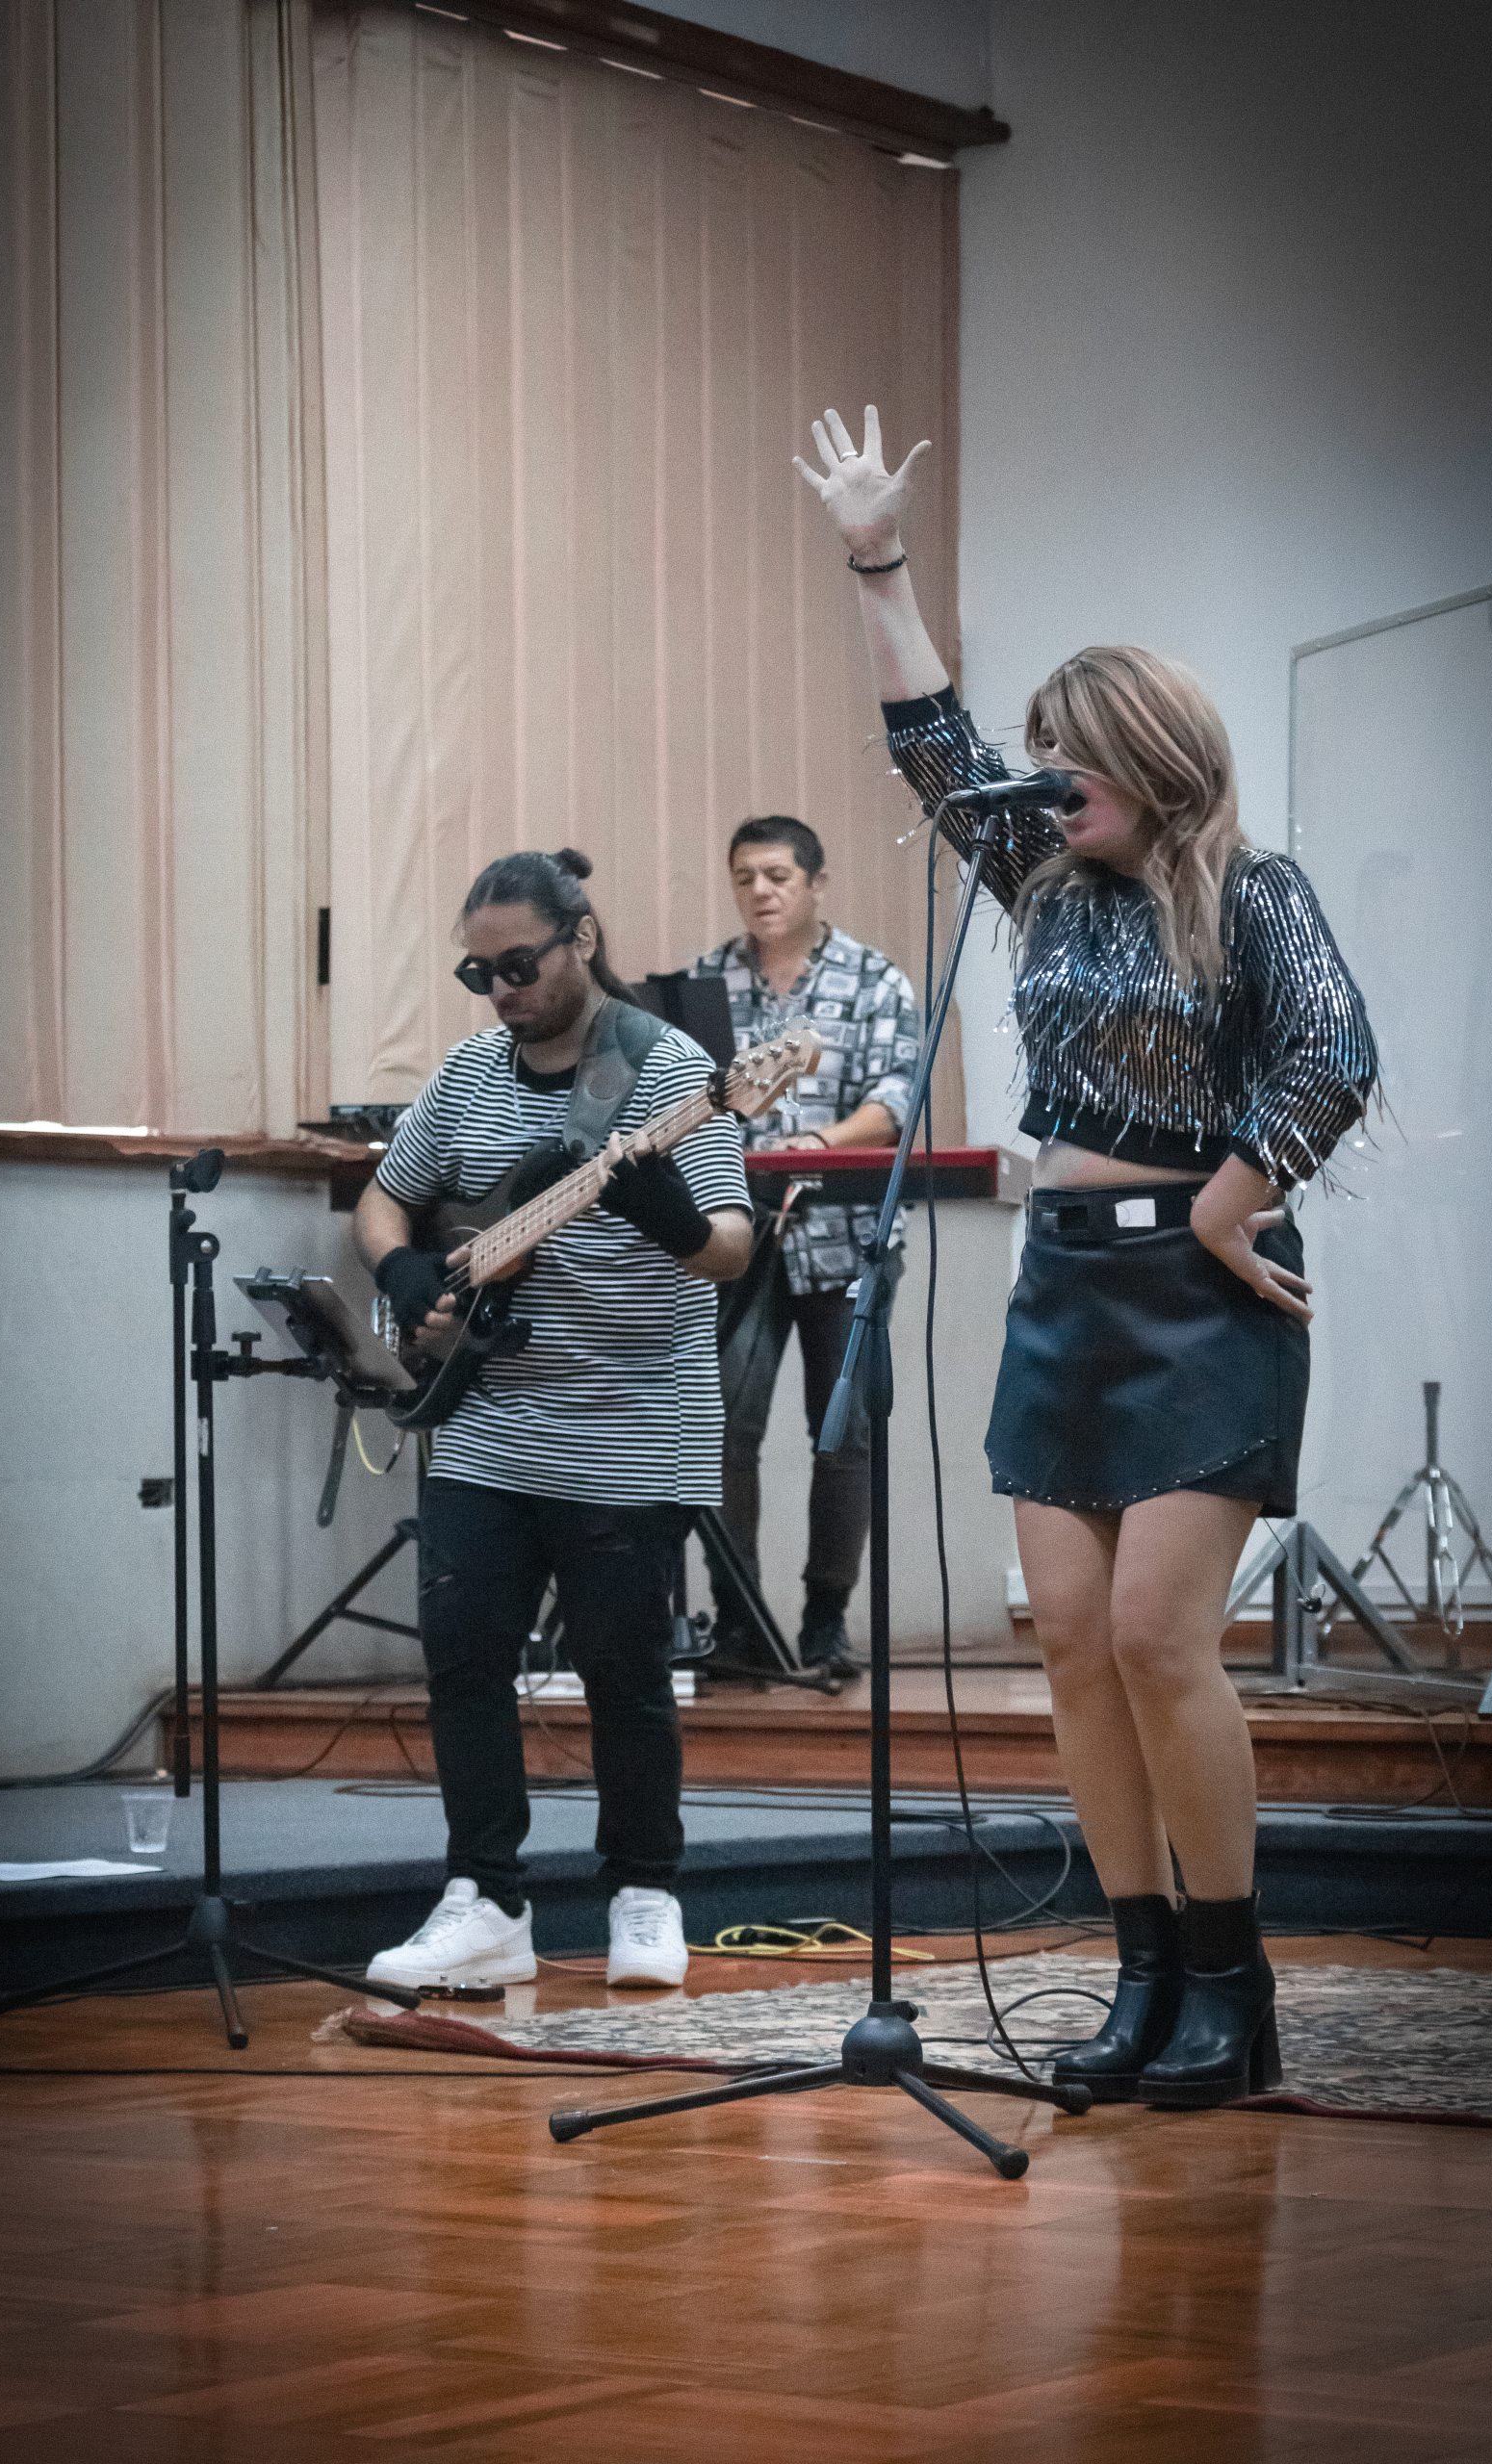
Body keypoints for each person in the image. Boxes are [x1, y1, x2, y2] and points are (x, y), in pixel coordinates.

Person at [796, 404, 1377, 2107]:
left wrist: (1223, 1201)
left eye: (1076, 757)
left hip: (1199, 1298)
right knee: (1064, 1635)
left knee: (1153, 1637)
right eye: (1040, 756)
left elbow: (1331, 1057)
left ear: (1155, 757)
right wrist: (875, 559)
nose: (1048, 781)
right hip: (1061, 1285)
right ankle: (1138, 1975)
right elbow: (928, 738)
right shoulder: (1041, 877)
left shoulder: (1254, 892)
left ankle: (1229, 1984)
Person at [353, 849, 752, 1994]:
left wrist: (671, 1215)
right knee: (463, 1660)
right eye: (479, 973)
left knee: (624, 1672)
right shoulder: (472, 1070)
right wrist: (404, 1270)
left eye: (519, 964)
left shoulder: (669, 1070)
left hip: (631, 1423)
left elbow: (732, 1247)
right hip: (490, 1418)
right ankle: (485, 1902)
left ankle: (644, 1892)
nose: (501, 990)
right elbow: (385, 1197)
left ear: (580, 938)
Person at [689, 818, 920, 1675]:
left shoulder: (874, 978)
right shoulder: (704, 982)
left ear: (816, 883)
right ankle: (739, 1621)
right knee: (723, 1430)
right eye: (743, 876)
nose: (760, 891)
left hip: (846, 1235)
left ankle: (827, 1621)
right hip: (734, 1236)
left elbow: (896, 1098)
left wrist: (822, 1144)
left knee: (842, 1433)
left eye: (777, 875)